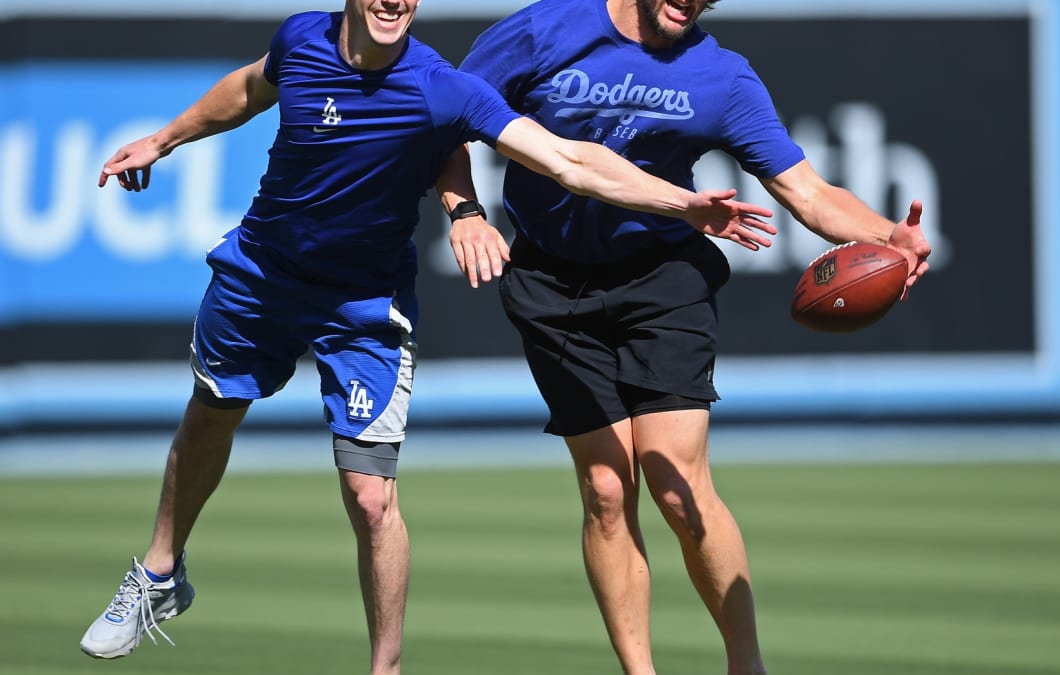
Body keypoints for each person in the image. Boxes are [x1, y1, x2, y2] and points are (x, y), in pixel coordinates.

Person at [77, 2, 777, 673]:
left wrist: (681, 203)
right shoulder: (301, 41)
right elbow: (248, 88)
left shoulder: (442, 86)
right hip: (262, 273)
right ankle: (161, 571)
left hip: (364, 305)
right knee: (209, 416)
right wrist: (163, 139)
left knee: (372, 499)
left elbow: (568, 159)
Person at [448, 1, 933, 673]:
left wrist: (887, 236)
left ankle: (746, 663)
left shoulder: (721, 77)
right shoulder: (543, 30)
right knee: (606, 490)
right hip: (550, 280)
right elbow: (447, 118)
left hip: (662, 276)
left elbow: (808, 192)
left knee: (676, 485)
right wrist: (465, 210)